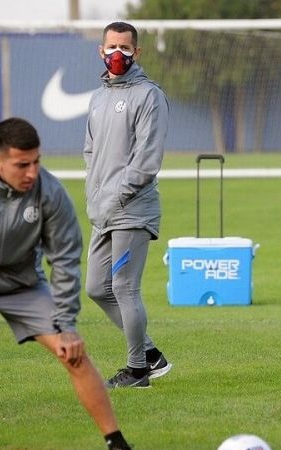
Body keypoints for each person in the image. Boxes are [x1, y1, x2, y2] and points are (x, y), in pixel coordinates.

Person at [0, 118, 132, 450]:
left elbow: (65, 260)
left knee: (74, 354)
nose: (32, 172)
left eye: (37, 161)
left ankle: (116, 443)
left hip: (23, 287)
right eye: (22, 165)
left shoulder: (50, 193)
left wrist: (66, 325)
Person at [84, 21, 171, 389]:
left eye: (124, 48)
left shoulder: (149, 95)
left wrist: (116, 196)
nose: (116, 53)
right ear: (100, 50)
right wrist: (96, 198)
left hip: (132, 210)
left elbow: (147, 161)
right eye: (111, 47)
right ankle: (150, 353)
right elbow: (91, 151)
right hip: (102, 211)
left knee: (124, 288)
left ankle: (138, 371)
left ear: (136, 52)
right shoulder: (98, 96)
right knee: (95, 288)